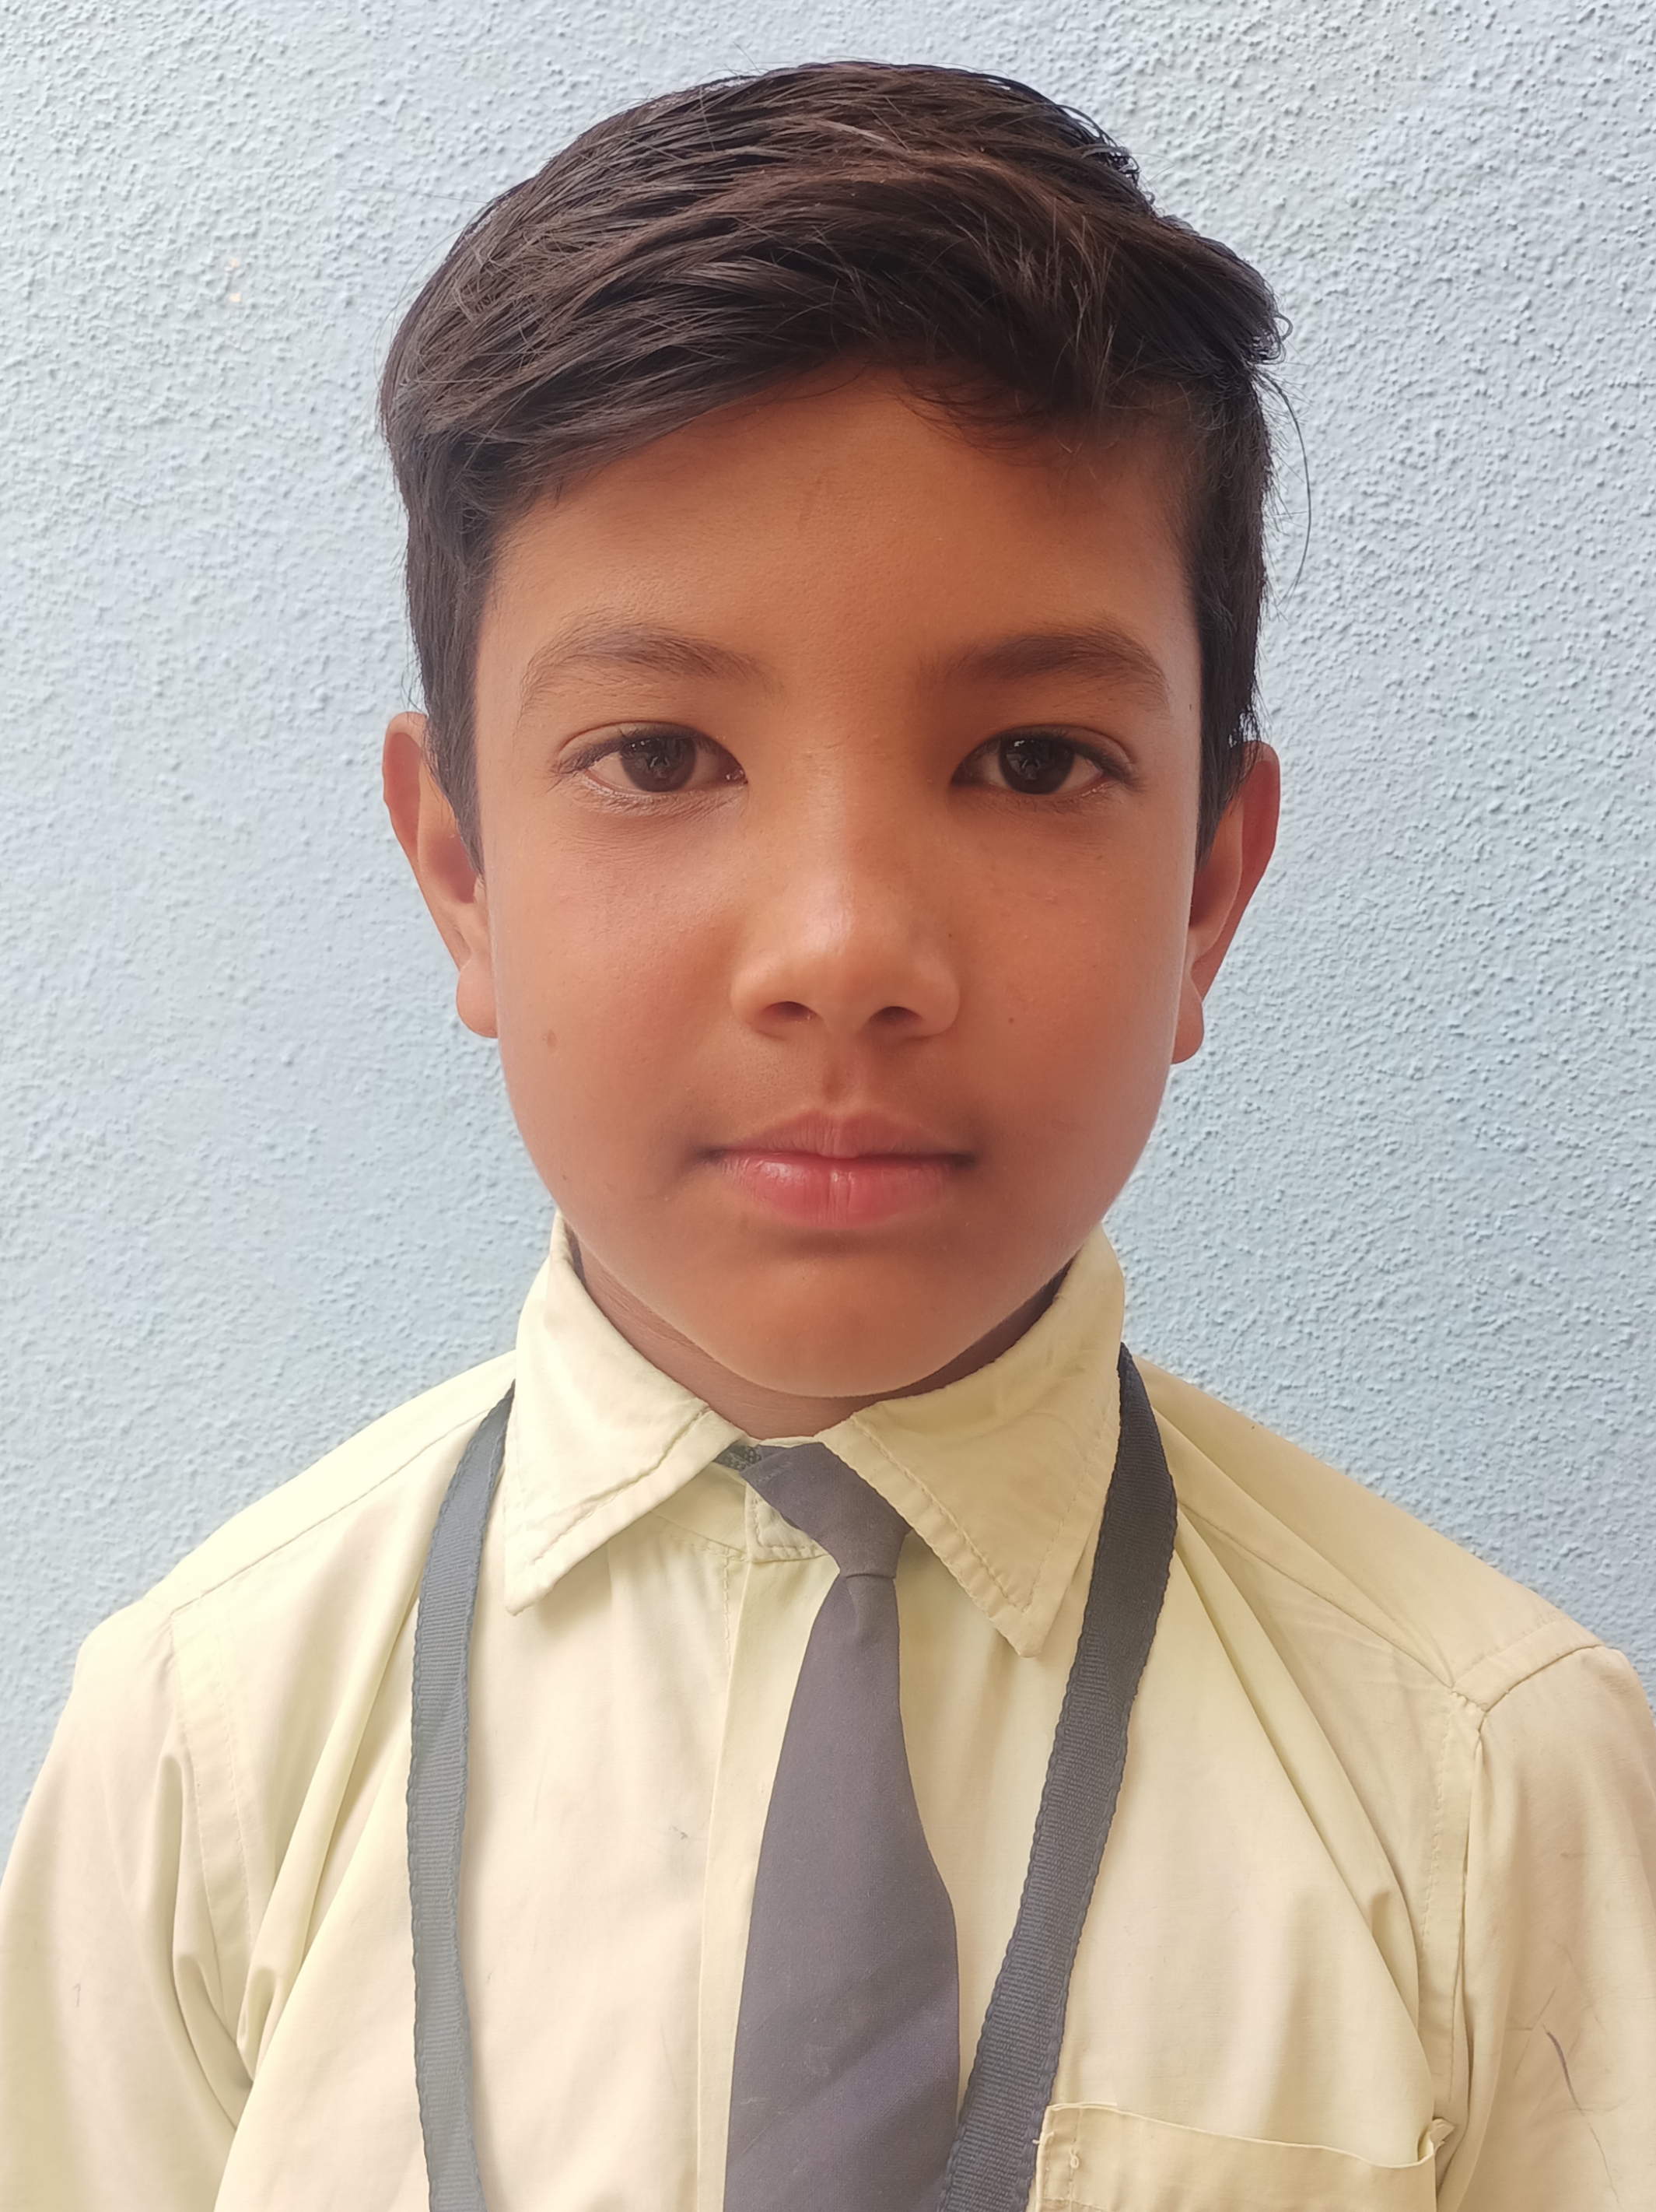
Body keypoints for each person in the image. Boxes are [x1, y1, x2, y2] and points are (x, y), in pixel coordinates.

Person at [2, 59, 1652, 2212]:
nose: (845, 950)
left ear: (1209, 892)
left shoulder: (1490, 1783)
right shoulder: (202, 1748)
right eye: (659, 753)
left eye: (1032, 760)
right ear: (460, 873)